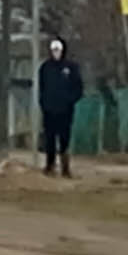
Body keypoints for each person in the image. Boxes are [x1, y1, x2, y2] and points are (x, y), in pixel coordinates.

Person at [37, 38, 84, 177]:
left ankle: (65, 168)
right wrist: (44, 104)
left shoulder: (71, 67)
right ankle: (50, 166)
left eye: (58, 50)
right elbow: (42, 88)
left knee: (64, 139)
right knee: (49, 139)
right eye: (54, 50)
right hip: (49, 111)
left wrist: (69, 101)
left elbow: (78, 88)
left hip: (65, 111)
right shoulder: (45, 67)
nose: (56, 53)